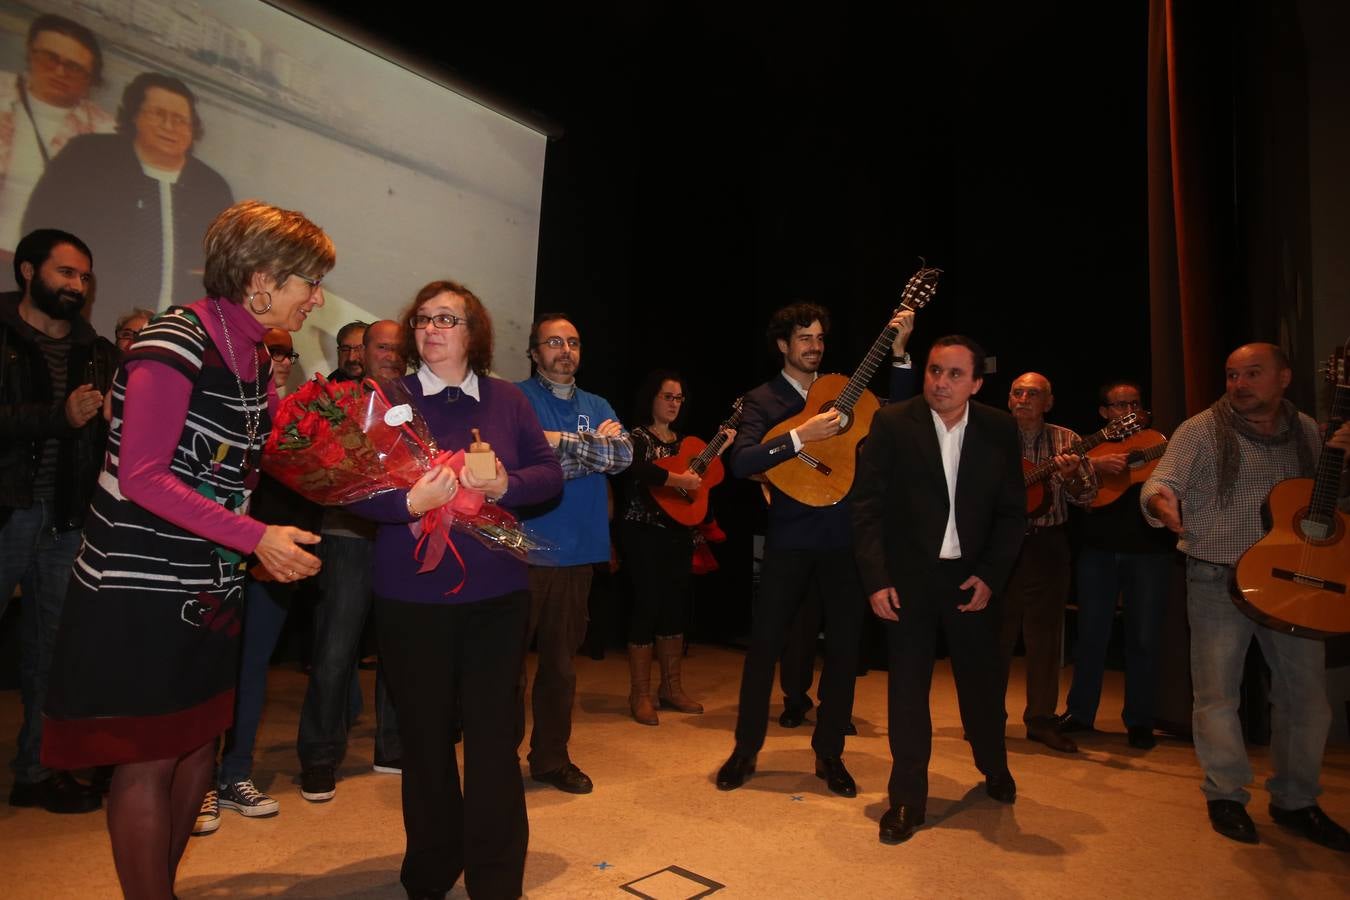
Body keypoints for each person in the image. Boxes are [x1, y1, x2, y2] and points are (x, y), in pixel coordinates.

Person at [41, 199, 334, 897]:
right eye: (308, 282)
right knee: (147, 758)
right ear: (261, 279)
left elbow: (233, 477)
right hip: (137, 580)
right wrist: (256, 536)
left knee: (199, 745)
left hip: (210, 581)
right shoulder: (175, 339)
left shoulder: (258, 358)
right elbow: (143, 476)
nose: (317, 298)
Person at [347, 279, 562, 898]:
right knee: (425, 740)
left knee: (495, 741)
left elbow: (546, 475)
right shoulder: (386, 399)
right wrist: (409, 500)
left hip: (496, 598)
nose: (432, 328)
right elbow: (354, 488)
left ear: (474, 333)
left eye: (448, 319)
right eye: (423, 319)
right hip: (410, 599)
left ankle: (495, 879)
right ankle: (433, 869)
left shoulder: (506, 399)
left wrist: (502, 488)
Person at [1141, 342, 1350, 851]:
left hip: (1295, 583)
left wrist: (1343, 461)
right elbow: (1160, 480)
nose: (1239, 384)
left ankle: (1296, 800)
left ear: (1284, 377)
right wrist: (1160, 503)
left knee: (1307, 701)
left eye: (1253, 374)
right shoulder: (1201, 429)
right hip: (1217, 576)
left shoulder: (1307, 433)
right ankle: (1226, 795)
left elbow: (1327, 505)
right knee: (1217, 697)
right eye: (1233, 374)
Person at [716, 303, 913, 798]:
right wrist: (803, 435)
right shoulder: (762, 398)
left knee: (845, 650)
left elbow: (900, 423)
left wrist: (902, 356)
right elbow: (741, 462)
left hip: (845, 537)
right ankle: (745, 749)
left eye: (820, 338)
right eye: (804, 338)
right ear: (783, 345)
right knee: (764, 649)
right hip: (789, 536)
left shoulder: (845, 390)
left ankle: (830, 754)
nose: (814, 346)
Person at [852, 335, 1025, 845]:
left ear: (975, 382)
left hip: (971, 579)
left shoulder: (999, 428)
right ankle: (907, 799)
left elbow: (1013, 514)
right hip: (908, 582)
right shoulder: (891, 423)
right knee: (907, 692)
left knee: (982, 688)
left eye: (953, 374)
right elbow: (866, 509)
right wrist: (876, 578)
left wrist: (991, 575)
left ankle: (993, 765)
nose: (940, 382)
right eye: (933, 371)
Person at [0, 228, 115, 814]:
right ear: (27, 271)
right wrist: (57, 415)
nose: (76, 285)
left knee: (51, 651)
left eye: (84, 277)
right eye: (65, 273)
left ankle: (37, 772)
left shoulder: (97, 352)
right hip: (7, 511)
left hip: (68, 520)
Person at [192, 324, 317, 836]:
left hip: (272, 558)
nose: (278, 358)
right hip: (213, 556)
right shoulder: (223, 402)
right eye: (269, 348)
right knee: (204, 667)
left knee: (253, 668)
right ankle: (196, 782)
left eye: (286, 350)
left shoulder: (307, 416)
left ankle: (235, 774)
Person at [516, 313, 633, 794]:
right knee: (503, 669)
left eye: (574, 343)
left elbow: (624, 456)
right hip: (521, 553)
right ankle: (495, 757)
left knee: (561, 669)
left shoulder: (598, 401)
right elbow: (519, 458)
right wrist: (589, 445)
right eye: (554, 342)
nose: (565, 350)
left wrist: (554, 450)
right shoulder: (516, 400)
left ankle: (550, 758)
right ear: (534, 351)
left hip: (578, 554)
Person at [22, 71, 233, 313]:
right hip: (84, 321)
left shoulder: (211, 187)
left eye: (179, 120)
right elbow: (39, 228)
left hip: (174, 334)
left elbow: (223, 268)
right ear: (134, 116)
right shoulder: (88, 157)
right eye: (158, 114)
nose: (169, 126)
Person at [297, 315, 401, 801]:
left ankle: (393, 746)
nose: (377, 355)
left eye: (388, 347)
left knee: (398, 649)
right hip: (347, 535)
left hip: (402, 537)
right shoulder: (334, 400)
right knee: (335, 651)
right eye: (370, 347)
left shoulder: (413, 398)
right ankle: (319, 756)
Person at [1056, 380, 1174, 749]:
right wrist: (1095, 463)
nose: (1128, 411)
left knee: (1143, 637)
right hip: (1098, 550)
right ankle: (1080, 712)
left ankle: (1139, 720)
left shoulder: (1160, 442)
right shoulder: (1092, 446)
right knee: (1091, 634)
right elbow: (1070, 479)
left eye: (1134, 404)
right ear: (1105, 412)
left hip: (1150, 551)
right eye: (1119, 405)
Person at [616, 370, 734, 725]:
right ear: (651, 398)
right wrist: (674, 479)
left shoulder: (689, 445)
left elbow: (705, 483)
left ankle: (671, 688)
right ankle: (640, 694)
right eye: (667, 396)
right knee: (647, 605)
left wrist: (721, 450)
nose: (673, 404)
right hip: (641, 532)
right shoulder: (634, 437)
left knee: (675, 608)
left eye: (679, 398)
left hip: (680, 534)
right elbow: (632, 468)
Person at [997, 372, 1097, 753]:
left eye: (1033, 394)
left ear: (1048, 403)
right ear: (1008, 398)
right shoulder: (991, 433)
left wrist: (1071, 479)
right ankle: (988, 717)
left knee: (1045, 638)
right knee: (996, 636)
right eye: (1017, 392)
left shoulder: (1068, 440)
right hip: (1001, 546)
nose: (1023, 399)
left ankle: (1041, 719)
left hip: (1048, 545)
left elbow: (1087, 496)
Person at [0, 14, 114, 254]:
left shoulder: (105, 132)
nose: (60, 71)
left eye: (74, 68)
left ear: (91, 78)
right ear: (31, 54)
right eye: (50, 58)